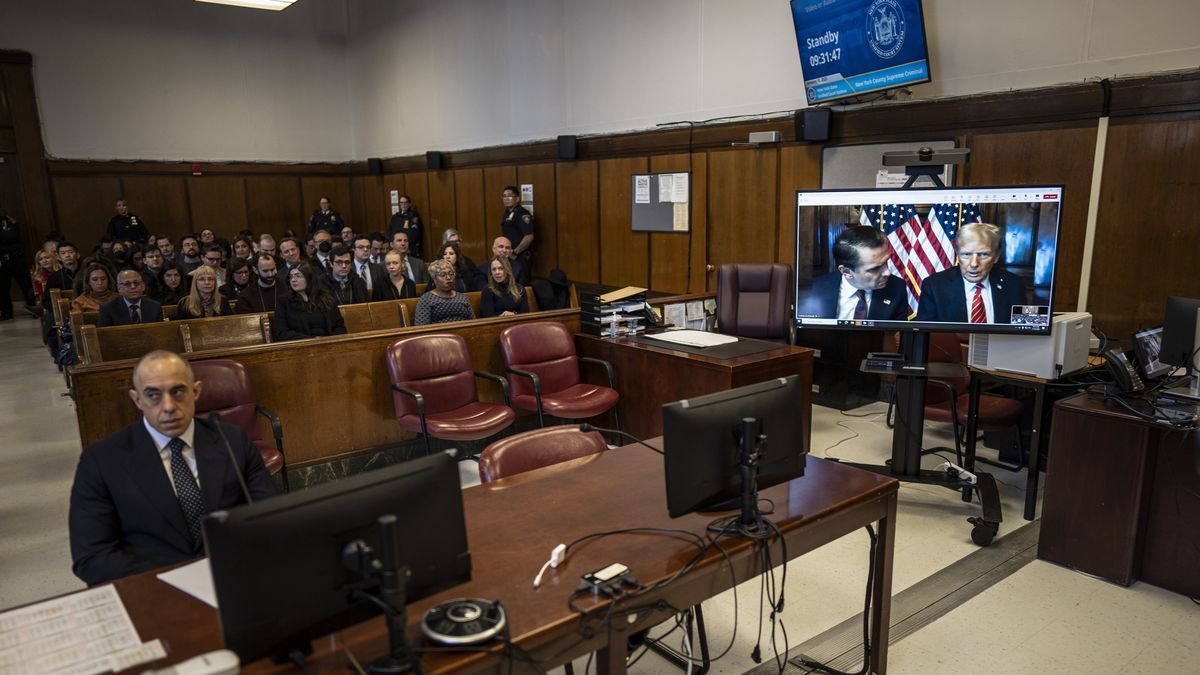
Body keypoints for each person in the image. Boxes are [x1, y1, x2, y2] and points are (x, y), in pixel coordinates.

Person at [68, 350, 277, 585]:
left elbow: (270, 518)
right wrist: (176, 580)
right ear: (137, 400)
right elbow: (92, 557)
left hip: (235, 579)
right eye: (153, 395)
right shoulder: (101, 461)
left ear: (196, 391)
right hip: (154, 592)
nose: (168, 406)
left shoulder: (232, 441)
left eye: (178, 392)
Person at [916, 222, 1028, 324]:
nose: (974, 264)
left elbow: (1024, 330)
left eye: (984, 254)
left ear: (996, 256)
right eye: (966, 254)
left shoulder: (1014, 284)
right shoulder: (934, 286)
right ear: (958, 254)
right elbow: (926, 337)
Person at [797, 226, 909, 321]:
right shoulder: (814, 290)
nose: (887, 272)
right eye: (875, 269)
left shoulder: (896, 288)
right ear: (846, 272)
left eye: (886, 262)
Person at [275, 264, 346, 340]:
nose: (293, 280)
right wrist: (311, 340)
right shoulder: (284, 301)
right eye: (291, 277)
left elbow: (340, 327)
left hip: (329, 344)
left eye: (298, 276)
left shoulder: (326, 298)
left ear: (309, 278)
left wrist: (328, 340)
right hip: (301, 346)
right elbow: (282, 332)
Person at [413, 259, 474, 326]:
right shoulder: (426, 299)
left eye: (451, 274)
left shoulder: (463, 297)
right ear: (434, 279)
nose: (448, 277)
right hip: (439, 335)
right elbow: (421, 327)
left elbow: (473, 322)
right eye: (442, 274)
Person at [0, 212, 37, 319]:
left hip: (15, 259)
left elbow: (11, 235)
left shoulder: (8, 221)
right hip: (1, 261)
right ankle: (6, 312)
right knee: (2, 288)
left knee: (26, 284)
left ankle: (34, 307)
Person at [98, 270, 165, 326]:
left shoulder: (155, 307)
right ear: (119, 288)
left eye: (136, 283)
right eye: (127, 284)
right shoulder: (108, 308)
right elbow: (104, 336)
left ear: (143, 286)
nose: (133, 286)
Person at [499, 186, 533, 284]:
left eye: (509, 196)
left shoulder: (522, 214)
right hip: (508, 255)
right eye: (504, 196)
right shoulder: (507, 213)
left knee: (522, 284)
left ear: (517, 199)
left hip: (520, 256)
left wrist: (515, 252)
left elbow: (529, 236)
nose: (506, 199)